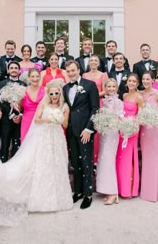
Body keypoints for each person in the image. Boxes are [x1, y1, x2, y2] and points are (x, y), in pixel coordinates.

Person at [0, 79, 73, 226]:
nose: (54, 95)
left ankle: (59, 197)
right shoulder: (43, 104)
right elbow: (37, 120)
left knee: (57, 165)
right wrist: (49, 119)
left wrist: (60, 118)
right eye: (52, 93)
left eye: (57, 93)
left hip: (58, 138)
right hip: (45, 138)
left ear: (60, 93)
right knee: (44, 165)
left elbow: (66, 124)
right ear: (48, 93)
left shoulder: (65, 106)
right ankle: (42, 199)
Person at [63, 60, 99, 209]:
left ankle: (88, 194)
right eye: (68, 71)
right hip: (71, 130)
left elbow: (95, 108)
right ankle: (77, 192)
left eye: (73, 70)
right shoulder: (65, 88)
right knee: (75, 163)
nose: (71, 73)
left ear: (78, 69)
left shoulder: (89, 85)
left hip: (85, 131)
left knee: (86, 162)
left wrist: (89, 129)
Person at [96, 79, 124, 205]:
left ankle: (113, 193)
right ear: (105, 88)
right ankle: (107, 190)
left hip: (112, 133)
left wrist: (111, 122)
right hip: (104, 133)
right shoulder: (103, 101)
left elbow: (120, 118)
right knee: (103, 160)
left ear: (117, 88)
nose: (111, 88)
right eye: (108, 86)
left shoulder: (118, 102)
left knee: (108, 160)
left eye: (113, 86)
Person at [140, 71, 158, 202]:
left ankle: (156, 192)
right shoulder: (140, 94)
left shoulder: (157, 94)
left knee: (155, 157)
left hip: (155, 129)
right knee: (146, 158)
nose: (145, 81)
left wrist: (156, 120)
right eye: (143, 79)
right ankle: (146, 192)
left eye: (148, 79)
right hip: (144, 129)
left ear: (153, 80)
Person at [116, 73, 143, 198]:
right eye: (130, 81)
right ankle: (122, 187)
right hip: (122, 130)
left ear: (137, 84)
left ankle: (130, 189)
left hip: (132, 130)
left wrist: (132, 126)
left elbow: (140, 115)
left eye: (134, 81)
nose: (131, 83)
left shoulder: (139, 97)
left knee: (129, 159)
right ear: (127, 83)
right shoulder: (124, 95)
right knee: (121, 159)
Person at [0, 61, 26, 163]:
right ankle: (3, 165)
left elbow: (25, 102)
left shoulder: (24, 84)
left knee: (17, 144)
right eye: (11, 68)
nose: (14, 70)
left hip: (19, 120)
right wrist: (12, 114)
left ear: (19, 71)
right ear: (8, 70)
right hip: (6, 119)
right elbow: (1, 101)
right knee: (4, 143)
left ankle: (15, 166)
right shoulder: (2, 83)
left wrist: (19, 114)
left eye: (16, 68)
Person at [83, 54, 108, 164]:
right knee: (88, 127)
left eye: (95, 60)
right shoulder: (84, 75)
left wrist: (93, 95)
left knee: (98, 131)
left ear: (98, 63)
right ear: (89, 63)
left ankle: (98, 159)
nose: (93, 62)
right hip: (87, 105)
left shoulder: (103, 75)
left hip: (99, 103)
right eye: (91, 60)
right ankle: (89, 157)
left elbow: (105, 90)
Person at [20, 68, 45, 142]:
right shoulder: (22, 90)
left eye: (37, 76)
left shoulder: (46, 90)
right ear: (29, 77)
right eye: (33, 76)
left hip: (41, 120)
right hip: (27, 120)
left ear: (40, 77)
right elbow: (19, 108)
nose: (35, 79)